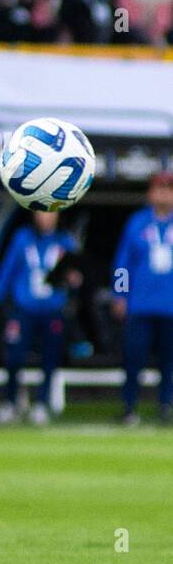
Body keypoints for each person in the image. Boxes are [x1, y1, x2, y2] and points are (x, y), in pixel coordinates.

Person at [0, 211, 82, 425]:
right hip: (24, 308)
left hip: (52, 309)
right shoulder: (22, 237)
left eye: (50, 213)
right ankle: (10, 402)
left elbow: (76, 276)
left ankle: (41, 404)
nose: (46, 217)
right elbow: (7, 270)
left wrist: (74, 280)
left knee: (50, 358)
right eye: (41, 212)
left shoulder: (65, 241)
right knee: (14, 356)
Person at [112, 172, 173, 425]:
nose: (163, 194)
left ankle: (165, 406)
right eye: (159, 189)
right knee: (133, 357)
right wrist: (120, 294)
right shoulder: (137, 223)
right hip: (140, 305)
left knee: (168, 362)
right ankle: (129, 407)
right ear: (150, 193)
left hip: (170, 306)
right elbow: (122, 264)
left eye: (168, 190)